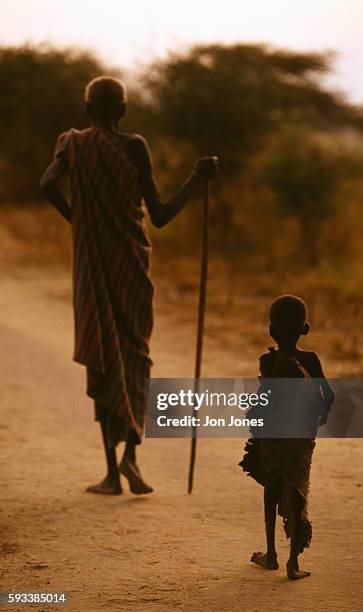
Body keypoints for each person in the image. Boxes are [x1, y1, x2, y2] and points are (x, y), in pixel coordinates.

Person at [40, 76, 218, 496]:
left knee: (103, 352)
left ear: (88, 109)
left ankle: (110, 474)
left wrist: (79, 222)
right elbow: (159, 215)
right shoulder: (134, 146)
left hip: (93, 265)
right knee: (136, 355)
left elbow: (47, 183)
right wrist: (195, 179)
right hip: (132, 264)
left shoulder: (73, 144)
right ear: (123, 110)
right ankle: (131, 458)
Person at [239, 295, 334, 579]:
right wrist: (322, 414)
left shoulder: (268, 361)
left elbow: (267, 397)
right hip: (301, 438)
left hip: (274, 436)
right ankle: (293, 562)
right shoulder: (311, 360)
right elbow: (328, 394)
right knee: (296, 489)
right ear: (305, 329)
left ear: (271, 332)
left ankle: (271, 554)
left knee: (272, 487)